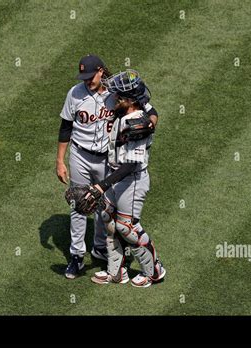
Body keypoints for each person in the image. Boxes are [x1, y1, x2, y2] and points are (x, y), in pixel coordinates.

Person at [56, 56, 159, 280]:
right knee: (80, 203)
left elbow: (149, 110)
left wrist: (150, 124)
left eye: (90, 76)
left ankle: (103, 250)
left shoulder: (119, 91)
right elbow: (65, 126)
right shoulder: (75, 94)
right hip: (80, 155)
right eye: (83, 77)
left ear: (101, 71)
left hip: (109, 160)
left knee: (107, 212)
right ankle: (77, 256)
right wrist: (60, 161)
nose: (87, 81)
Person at [88, 70, 166, 288]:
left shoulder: (136, 126)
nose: (111, 98)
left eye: (116, 96)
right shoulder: (134, 111)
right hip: (117, 177)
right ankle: (116, 272)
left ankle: (154, 270)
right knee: (107, 216)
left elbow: (131, 164)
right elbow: (151, 109)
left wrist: (101, 186)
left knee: (127, 227)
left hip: (131, 180)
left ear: (128, 101)